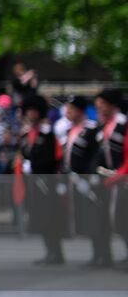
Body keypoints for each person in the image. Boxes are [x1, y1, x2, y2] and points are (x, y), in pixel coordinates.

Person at [61, 97, 110, 268]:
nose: (68, 112)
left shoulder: (90, 129)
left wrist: (91, 176)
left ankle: (105, 254)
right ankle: (96, 253)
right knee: (88, 218)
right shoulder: (69, 131)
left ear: (79, 111)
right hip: (75, 180)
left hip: (89, 180)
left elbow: (95, 155)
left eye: (71, 109)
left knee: (98, 217)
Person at [17, 94, 65, 265]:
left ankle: (56, 252)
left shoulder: (47, 133)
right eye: (29, 111)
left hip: (46, 180)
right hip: (33, 181)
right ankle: (49, 250)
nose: (31, 114)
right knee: (41, 217)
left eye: (33, 111)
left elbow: (52, 158)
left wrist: (34, 165)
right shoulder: (27, 133)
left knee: (51, 217)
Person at [95, 88, 128, 267]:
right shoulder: (104, 126)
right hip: (109, 180)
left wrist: (119, 175)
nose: (98, 108)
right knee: (108, 219)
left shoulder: (124, 125)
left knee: (123, 220)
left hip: (122, 180)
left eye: (102, 105)